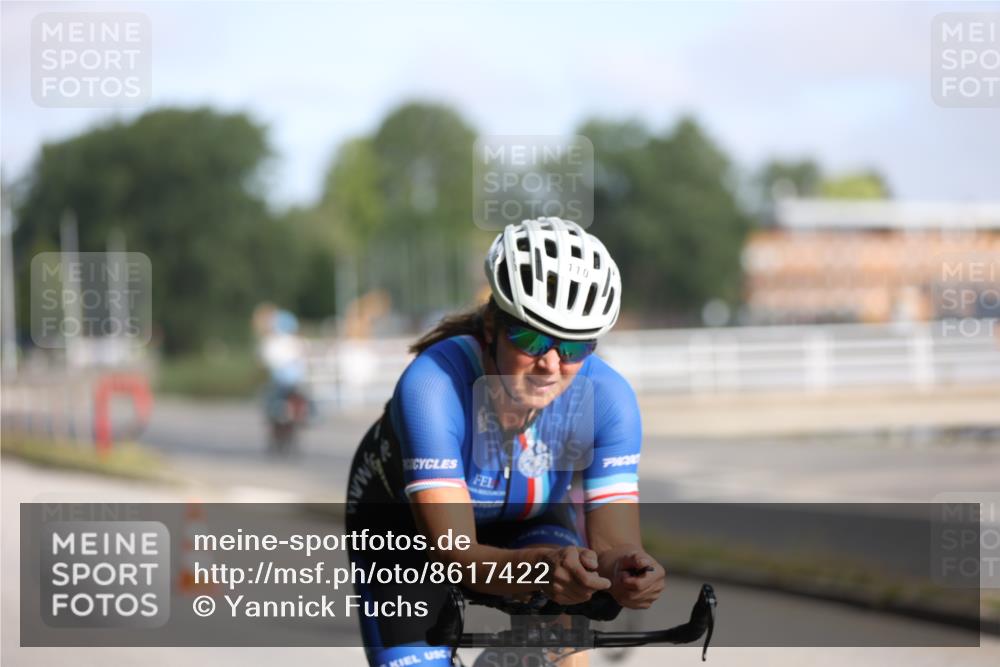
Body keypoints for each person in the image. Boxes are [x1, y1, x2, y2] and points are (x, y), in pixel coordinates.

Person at [345, 218, 665, 667]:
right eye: (532, 337)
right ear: (492, 325)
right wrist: (542, 569)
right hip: (411, 532)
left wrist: (628, 571)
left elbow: (614, 544)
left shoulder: (610, 400)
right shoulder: (432, 387)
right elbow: (455, 556)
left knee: (570, 653)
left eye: (575, 347)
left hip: (530, 520)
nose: (551, 364)